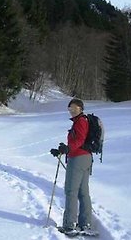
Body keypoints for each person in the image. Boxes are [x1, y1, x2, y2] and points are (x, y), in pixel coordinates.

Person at [50, 98, 93, 236]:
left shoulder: (81, 121)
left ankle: (70, 225)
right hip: (86, 158)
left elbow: (79, 140)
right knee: (82, 192)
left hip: (78, 159)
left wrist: (68, 148)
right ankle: (85, 224)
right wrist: (62, 150)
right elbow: (78, 141)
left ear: (81, 108)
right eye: (70, 109)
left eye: (74, 108)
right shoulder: (82, 121)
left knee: (71, 191)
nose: (71, 111)